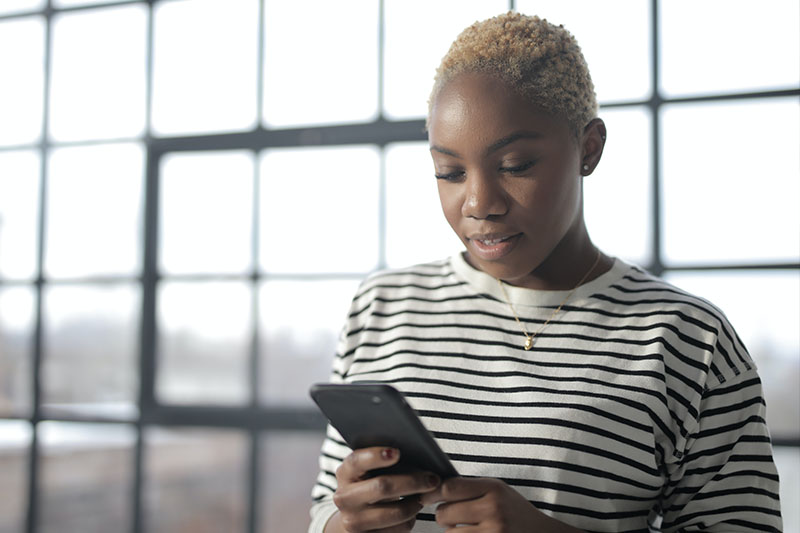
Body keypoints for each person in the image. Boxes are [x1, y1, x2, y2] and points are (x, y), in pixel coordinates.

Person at [309, 12, 783, 533]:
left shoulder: (688, 339)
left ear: (589, 148)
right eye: (449, 172)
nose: (478, 203)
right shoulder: (384, 304)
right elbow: (324, 508)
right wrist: (346, 524)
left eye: (514, 165)